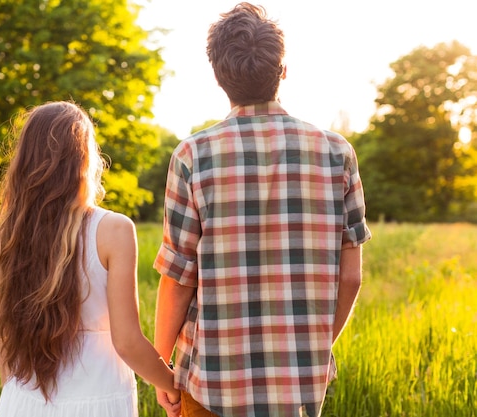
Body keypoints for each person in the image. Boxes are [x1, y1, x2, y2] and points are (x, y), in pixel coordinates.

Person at [153, 3, 372, 417]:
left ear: (218, 77)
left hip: (211, 384)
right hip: (301, 386)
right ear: (282, 70)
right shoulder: (336, 153)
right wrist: (314, 348)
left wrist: (161, 364)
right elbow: (352, 276)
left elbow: (178, 280)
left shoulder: (192, 157)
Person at [0, 101, 181, 417]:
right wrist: (172, 385)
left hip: (20, 401)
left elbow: (6, 341)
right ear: (86, 158)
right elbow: (127, 341)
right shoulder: (113, 229)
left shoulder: (8, 236)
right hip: (98, 398)